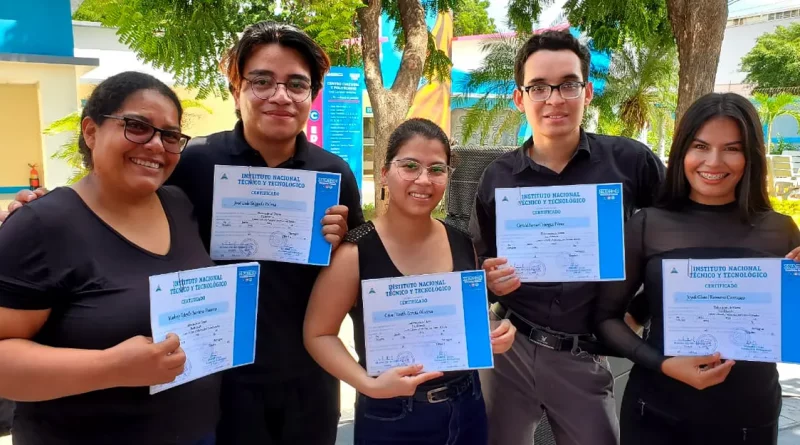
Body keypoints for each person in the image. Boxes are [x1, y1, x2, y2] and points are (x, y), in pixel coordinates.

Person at [1, 21, 363, 445]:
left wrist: (344, 241)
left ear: (311, 95)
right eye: (261, 81)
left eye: (296, 85)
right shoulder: (192, 161)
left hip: (305, 377)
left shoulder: (333, 172)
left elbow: (355, 267)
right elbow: (113, 195)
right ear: (236, 89)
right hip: (213, 380)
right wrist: (39, 208)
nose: (279, 95)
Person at [468, 30, 666, 445]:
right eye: (538, 87)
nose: (554, 99)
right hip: (511, 350)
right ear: (519, 97)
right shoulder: (497, 177)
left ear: (588, 91)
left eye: (568, 84)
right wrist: (487, 279)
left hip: (585, 354)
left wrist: (638, 312)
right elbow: (477, 265)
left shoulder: (631, 162)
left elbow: (677, 241)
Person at [0, 71, 218, 444]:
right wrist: (111, 367)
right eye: (136, 126)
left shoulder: (180, 206)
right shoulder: (41, 225)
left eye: (169, 135)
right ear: (90, 131)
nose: (155, 145)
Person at [595, 92, 800, 445]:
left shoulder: (781, 231)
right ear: (682, 152)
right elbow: (605, 318)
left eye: (732, 149)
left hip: (748, 420)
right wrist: (661, 363)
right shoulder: (648, 225)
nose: (714, 161)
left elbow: (788, 329)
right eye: (701, 146)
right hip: (656, 413)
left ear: (750, 155)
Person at [304, 118, 517, 445]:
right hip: (391, 414)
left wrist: (491, 334)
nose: (423, 179)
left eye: (436, 169)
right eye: (410, 166)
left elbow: (460, 326)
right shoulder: (355, 251)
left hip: (467, 404)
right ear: (386, 173)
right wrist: (368, 384)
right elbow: (318, 334)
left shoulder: (462, 242)